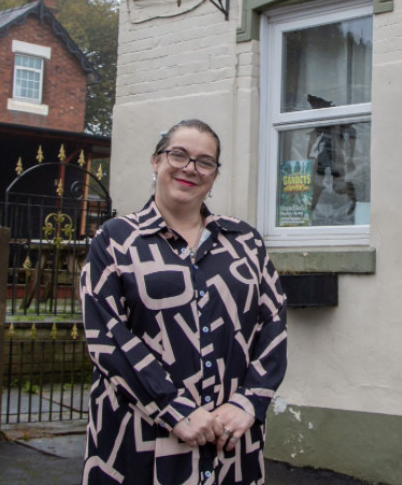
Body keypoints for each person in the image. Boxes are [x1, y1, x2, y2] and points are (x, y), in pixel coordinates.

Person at [80, 119, 288, 485]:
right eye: (178, 155)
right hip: (138, 438)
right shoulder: (116, 239)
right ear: (156, 161)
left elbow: (273, 324)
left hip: (230, 438)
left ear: (214, 174)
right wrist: (173, 408)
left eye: (205, 161)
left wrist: (249, 402)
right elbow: (107, 336)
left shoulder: (244, 242)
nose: (190, 168)